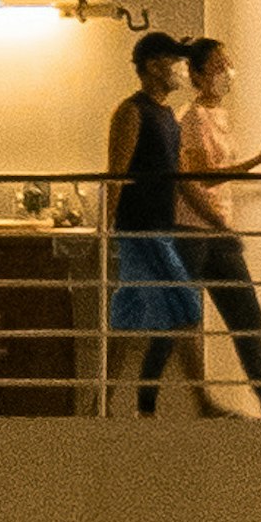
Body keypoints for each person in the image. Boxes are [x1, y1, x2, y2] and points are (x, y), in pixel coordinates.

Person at [176, 39, 261, 418]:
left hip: (217, 227)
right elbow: (197, 179)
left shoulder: (219, 116)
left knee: (246, 312)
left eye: (227, 62)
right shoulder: (191, 118)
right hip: (194, 229)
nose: (226, 71)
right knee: (187, 318)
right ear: (197, 74)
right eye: (217, 64)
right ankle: (202, 403)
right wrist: (258, 160)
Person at [104, 33, 215, 413]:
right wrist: (107, 230)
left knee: (129, 319)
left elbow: (179, 177)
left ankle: (102, 402)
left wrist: (212, 217)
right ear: (153, 66)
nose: (180, 70)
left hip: (160, 227)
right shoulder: (132, 112)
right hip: (140, 229)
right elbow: (115, 174)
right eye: (174, 62)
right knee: (185, 309)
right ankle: (202, 402)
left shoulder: (167, 115)